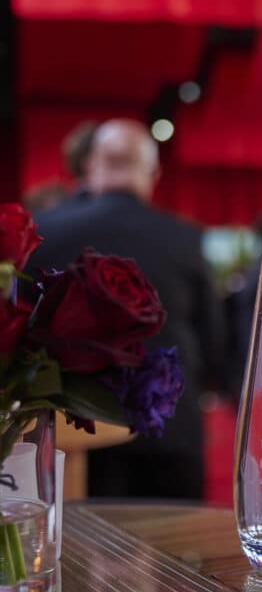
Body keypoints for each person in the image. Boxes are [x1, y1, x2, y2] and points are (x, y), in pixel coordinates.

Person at [28, 119, 224, 500]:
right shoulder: (185, 238)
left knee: (75, 555)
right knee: (175, 554)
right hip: (168, 431)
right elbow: (213, 344)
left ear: (92, 165)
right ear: (152, 172)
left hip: (76, 435)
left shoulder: (45, 231)